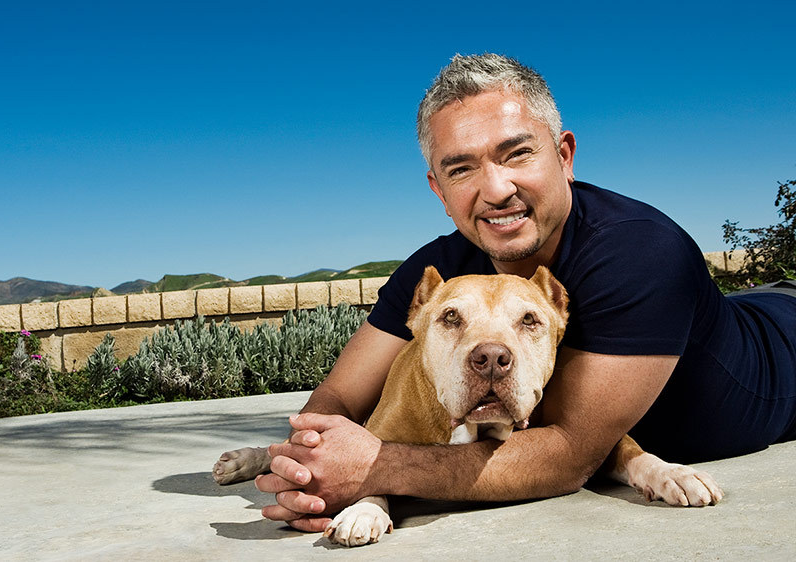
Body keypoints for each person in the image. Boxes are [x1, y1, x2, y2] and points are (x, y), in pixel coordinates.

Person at [255, 53, 796, 531]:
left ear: (564, 156)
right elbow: (339, 399)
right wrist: (308, 468)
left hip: (781, 347)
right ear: (438, 189)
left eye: (516, 154)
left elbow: (568, 458)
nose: (495, 189)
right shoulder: (435, 274)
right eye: (461, 168)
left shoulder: (640, 252)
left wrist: (372, 468)